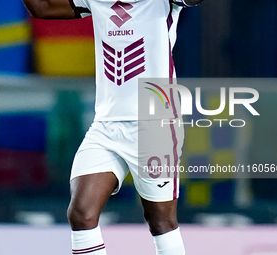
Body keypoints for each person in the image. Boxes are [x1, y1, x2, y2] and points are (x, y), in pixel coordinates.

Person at [22, 0, 204, 254]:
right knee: (81, 213)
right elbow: (42, 7)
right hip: (106, 126)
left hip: (154, 125)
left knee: (161, 221)